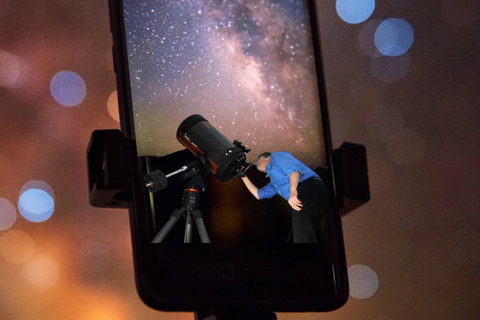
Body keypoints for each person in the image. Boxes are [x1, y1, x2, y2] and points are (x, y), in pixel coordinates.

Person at [241, 151, 328, 243]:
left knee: (301, 234)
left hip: (310, 188)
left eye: (258, 160)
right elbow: (258, 195)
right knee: (295, 236)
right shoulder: (274, 183)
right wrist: (243, 176)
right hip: (307, 196)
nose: (256, 163)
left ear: (268, 158)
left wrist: (293, 192)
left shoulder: (275, 157)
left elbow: (294, 172)